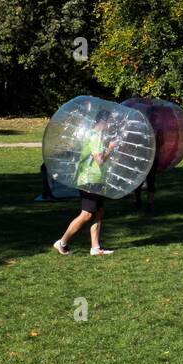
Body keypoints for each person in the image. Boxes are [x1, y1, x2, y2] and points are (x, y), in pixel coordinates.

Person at [53, 110, 118, 256]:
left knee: (98, 213)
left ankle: (95, 248)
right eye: (110, 121)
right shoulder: (94, 136)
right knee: (86, 214)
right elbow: (99, 161)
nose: (111, 124)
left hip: (97, 179)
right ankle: (62, 242)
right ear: (103, 121)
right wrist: (110, 148)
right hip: (89, 180)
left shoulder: (97, 136)